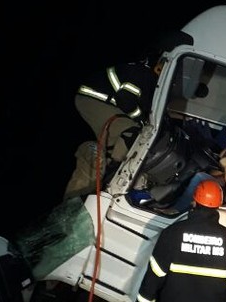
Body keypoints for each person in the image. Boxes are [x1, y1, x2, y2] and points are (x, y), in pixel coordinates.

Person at [62, 58, 161, 200]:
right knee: (132, 131)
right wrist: (141, 120)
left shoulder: (150, 83)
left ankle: (108, 167)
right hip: (94, 98)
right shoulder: (144, 74)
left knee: (116, 141)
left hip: (98, 101)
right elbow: (125, 98)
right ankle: (114, 170)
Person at [164, 115, 226, 213]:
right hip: (216, 177)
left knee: (199, 176)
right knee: (194, 169)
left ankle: (177, 209)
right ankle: (174, 201)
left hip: (222, 185)